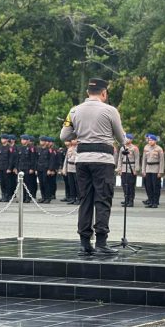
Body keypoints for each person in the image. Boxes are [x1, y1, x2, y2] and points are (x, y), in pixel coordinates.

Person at [60, 77, 126, 256]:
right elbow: (121, 138)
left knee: (85, 200)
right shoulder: (110, 110)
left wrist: (80, 130)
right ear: (104, 93)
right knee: (102, 199)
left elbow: (64, 136)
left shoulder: (74, 110)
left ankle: (84, 243)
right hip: (103, 160)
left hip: (81, 160)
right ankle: (102, 242)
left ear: (87, 93)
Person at [116, 133, 139, 208]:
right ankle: (126, 199)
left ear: (131, 140)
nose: (126, 140)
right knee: (124, 185)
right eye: (125, 138)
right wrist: (119, 168)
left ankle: (131, 200)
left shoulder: (134, 148)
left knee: (131, 185)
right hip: (123, 167)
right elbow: (120, 159)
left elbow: (137, 159)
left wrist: (136, 169)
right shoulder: (122, 148)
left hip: (131, 168)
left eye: (127, 138)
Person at [141, 134, 164, 208]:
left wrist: (160, 171)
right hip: (148, 168)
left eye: (152, 140)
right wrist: (143, 170)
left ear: (155, 141)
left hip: (155, 169)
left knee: (156, 186)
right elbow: (144, 160)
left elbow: (162, 161)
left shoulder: (159, 149)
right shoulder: (146, 148)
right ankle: (150, 201)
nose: (150, 141)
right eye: (149, 140)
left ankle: (155, 202)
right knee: (149, 186)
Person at [0, 134, 16, 202]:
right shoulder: (0, 147)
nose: (2, 140)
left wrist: (9, 168)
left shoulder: (10, 148)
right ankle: (3, 195)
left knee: (8, 183)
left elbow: (11, 159)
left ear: (7, 140)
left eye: (3, 139)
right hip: (1, 167)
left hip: (7, 168)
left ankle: (8, 196)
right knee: (2, 183)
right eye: (1, 139)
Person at [16, 134, 37, 203]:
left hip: (28, 168)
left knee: (28, 183)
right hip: (21, 167)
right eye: (22, 139)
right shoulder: (20, 148)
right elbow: (18, 159)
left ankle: (28, 197)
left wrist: (32, 168)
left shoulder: (31, 148)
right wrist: (17, 168)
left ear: (28, 141)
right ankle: (23, 197)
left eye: (24, 139)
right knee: (22, 184)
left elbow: (33, 159)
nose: (22, 141)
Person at [62, 139, 79, 204]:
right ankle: (72, 198)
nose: (73, 141)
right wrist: (64, 169)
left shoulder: (79, 148)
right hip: (69, 167)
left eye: (74, 140)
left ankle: (79, 198)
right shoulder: (69, 148)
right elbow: (66, 159)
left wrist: (74, 151)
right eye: (72, 140)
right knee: (71, 184)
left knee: (77, 184)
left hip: (76, 167)